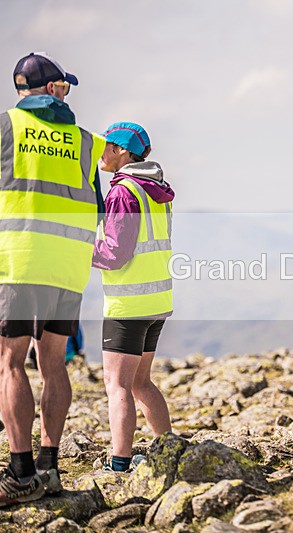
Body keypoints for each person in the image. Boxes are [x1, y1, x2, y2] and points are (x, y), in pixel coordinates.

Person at [0, 52, 105, 504]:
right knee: (54, 363)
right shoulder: (86, 142)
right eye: (63, 87)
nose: (66, 94)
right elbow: (98, 206)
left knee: (9, 363)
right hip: (69, 266)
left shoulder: (6, 127)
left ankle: (20, 472)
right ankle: (50, 467)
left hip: (20, 261)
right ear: (49, 88)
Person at [92, 122, 174, 472]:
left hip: (128, 303)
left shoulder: (124, 191)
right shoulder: (155, 190)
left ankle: (120, 464)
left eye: (107, 146)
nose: (102, 153)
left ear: (122, 151)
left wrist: (84, 250)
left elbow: (116, 252)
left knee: (118, 384)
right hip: (156, 300)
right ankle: (171, 450)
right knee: (141, 382)